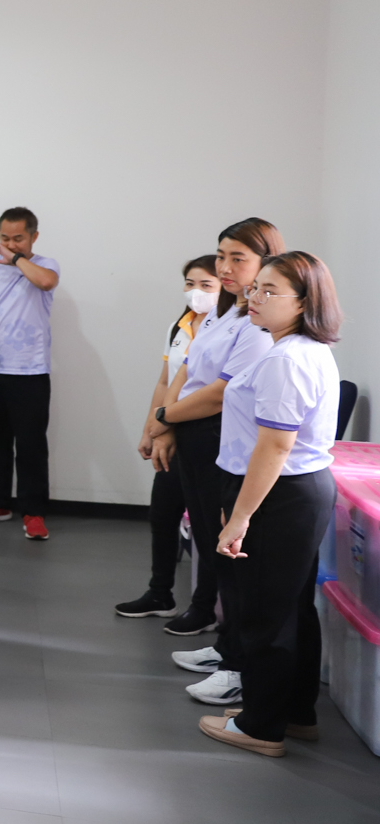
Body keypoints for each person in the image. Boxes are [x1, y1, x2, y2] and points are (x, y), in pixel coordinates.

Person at [198, 252, 341, 756]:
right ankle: (295, 712)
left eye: (268, 290)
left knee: (264, 612)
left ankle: (260, 726)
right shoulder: (303, 348)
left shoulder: (285, 359)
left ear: (304, 302)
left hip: (277, 494)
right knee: (291, 606)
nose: (253, 297)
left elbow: (275, 446)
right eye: (254, 287)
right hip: (296, 491)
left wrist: (240, 516)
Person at [147, 218, 281, 699]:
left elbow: (221, 393)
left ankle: (239, 665)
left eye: (237, 258)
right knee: (208, 543)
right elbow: (186, 370)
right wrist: (165, 425)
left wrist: (164, 416)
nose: (225, 267)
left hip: (218, 434)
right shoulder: (226, 311)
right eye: (221, 256)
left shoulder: (258, 326)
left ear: (266, 262)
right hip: (193, 432)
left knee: (230, 557)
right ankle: (226, 647)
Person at [114, 255, 220, 620]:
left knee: (206, 527)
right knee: (162, 513)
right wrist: (151, 429)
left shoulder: (227, 329)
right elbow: (165, 381)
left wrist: (167, 426)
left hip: (202, 434)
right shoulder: (181, 325)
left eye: (206, 284)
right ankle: (160, 593)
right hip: (170, 431)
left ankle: (205, 607)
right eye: (190, 283)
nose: (195, 291)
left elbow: (209, 391)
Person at [0, 206, 60, 540]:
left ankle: (33, 512)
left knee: (31, 446)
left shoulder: (45, 266)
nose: (9, 244)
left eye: (18, 238)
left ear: (34, 236)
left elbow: (45, 283)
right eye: (4, 238)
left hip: (31, 372)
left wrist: (16, 258)